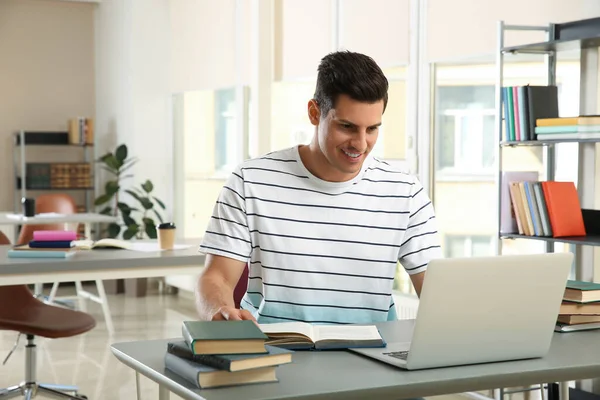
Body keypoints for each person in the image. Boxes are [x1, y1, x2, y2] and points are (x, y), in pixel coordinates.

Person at [195, 50, 442, 324]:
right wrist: (220, 311)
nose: (360, 144)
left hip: (374, 355)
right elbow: (216, 277)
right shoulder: (249, 182)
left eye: (372, 129)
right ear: (315, 113)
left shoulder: (405, 192)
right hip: (273, 352)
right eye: (347, 126)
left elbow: (438, 292)